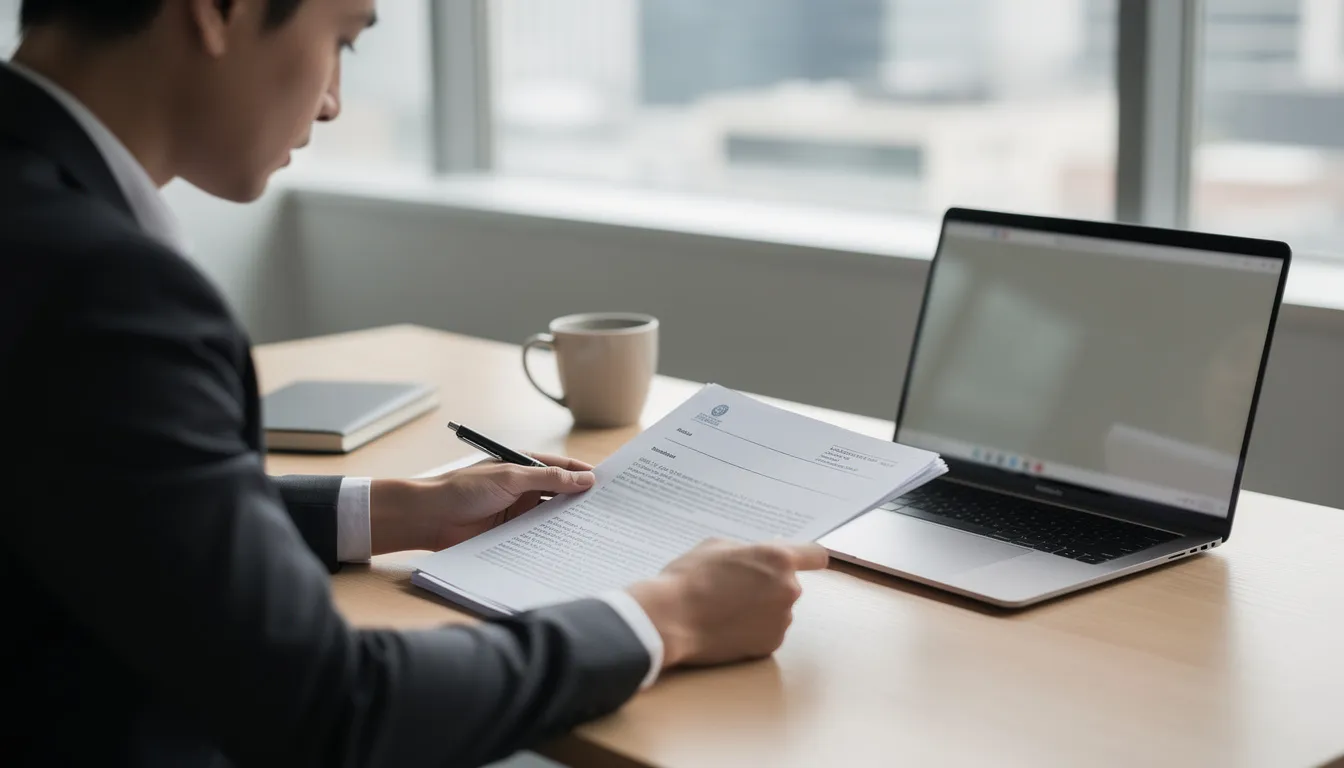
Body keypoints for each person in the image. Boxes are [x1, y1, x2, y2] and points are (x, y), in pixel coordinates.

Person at [0, 1, 829, 765]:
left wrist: (396, 509)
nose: (331, 101)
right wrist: (667, 616)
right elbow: (329, 708)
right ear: (221, 11)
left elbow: (97, 511)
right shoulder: (104, 290)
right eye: (342, 40)